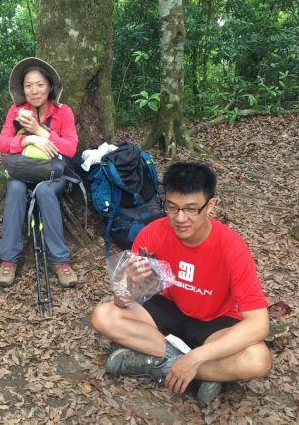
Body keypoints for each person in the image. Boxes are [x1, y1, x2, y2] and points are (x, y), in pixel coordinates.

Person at [90, 161, 272, 405]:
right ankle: (193, 371)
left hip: (215, 323)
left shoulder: (231, 247)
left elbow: (259, 324)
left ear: (211, 206)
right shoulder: (153, 233)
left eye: (191, 209)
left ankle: (164, 363)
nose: (180, 218)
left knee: (258, 359)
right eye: (172, 207)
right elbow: (120, 303)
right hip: (169, 309)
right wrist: (129, 285)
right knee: (103, 315)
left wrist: (196, 358)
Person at [0, 57, 79, 288]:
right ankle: (8, 260)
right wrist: (27, 138)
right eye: (28, 85)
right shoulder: (16, 111)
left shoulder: (63, 112)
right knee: (14, 188)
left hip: (54, 173)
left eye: (40, 84)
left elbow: (70, 148)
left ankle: (60, 261)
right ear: (22, 89)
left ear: (50, 86)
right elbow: (2, 143)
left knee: (44, 192)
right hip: (23, 170)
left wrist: (41, 132)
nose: (34, 90)